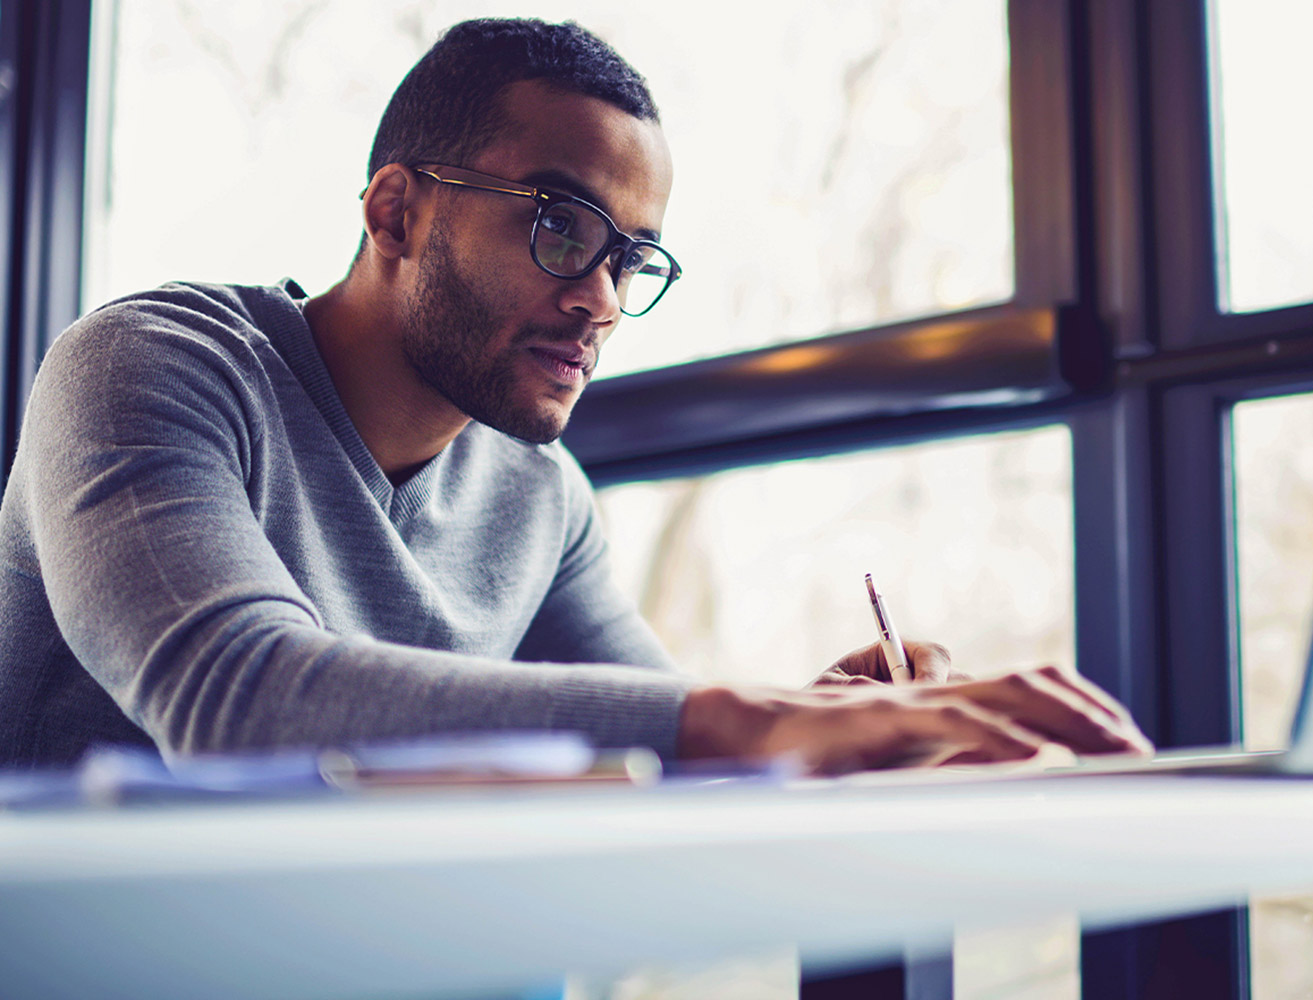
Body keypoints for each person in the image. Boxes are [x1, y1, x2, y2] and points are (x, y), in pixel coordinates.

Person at [0, 17, 1150, 774]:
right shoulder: (151, 367)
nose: (601, 300)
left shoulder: (537, 492)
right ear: (395, 212)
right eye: (560, 227)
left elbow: (649, 738)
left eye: (632, 259)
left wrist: (821, 720)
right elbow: (236, 700)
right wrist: (740, 718)